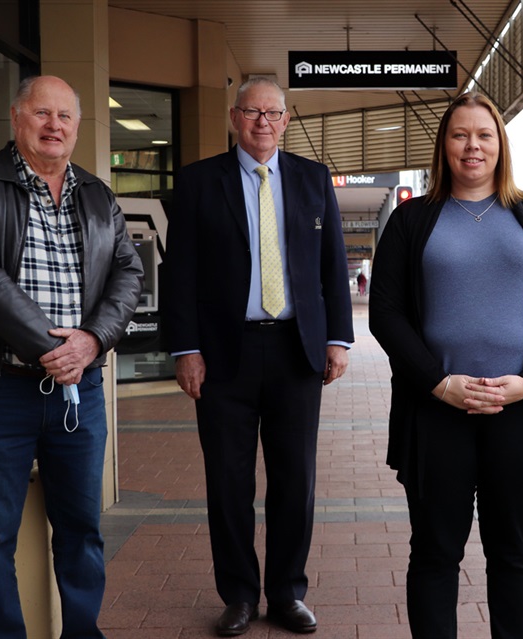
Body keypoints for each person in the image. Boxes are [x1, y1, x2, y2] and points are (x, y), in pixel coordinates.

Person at [369, 92, 523, 638]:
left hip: (519, 411)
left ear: (500, 144)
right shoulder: (412, 219)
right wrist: (439, 384)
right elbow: (386, 315)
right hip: (436, 410)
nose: (472, 145)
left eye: (484, 135)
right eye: (460, 134)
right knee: (435, 554)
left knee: (512, 554)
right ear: (444, 145)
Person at [0, 75, 143, 638]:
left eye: (66, 116)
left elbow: (129, 274)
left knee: (82, 529)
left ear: (78, 127)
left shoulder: (99, 195)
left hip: (78, 395)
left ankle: (83, 633)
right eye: (42, 113)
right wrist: (56, 348)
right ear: (16, 117)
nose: (54, 125)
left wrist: (93, 340)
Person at [161, 77, 353, 637]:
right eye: (251, 112)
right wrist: (186, 349)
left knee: (296, 481)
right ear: (233, 117)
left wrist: (337, 338)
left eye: (273, 113)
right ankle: (240, 595)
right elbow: (180, 274)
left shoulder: (314, 179)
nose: (262, 122)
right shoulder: (199, 182)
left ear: (287, 120)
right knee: (228, 482)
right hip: (224, 354)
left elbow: (331, 265)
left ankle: (288, 593)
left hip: (297, 351)